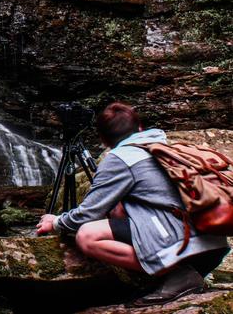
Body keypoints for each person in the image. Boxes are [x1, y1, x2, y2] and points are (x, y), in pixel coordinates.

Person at [36, 102, 230, 307]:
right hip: (212, 246)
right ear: (140, 128)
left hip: (185, 250)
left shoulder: (120, 159)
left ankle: (177, 274)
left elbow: (87, 214)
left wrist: (56, 222)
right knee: (117, 207)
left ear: (104, 140)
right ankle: (168, 274)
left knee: (87, 235)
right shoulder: (162, 147)